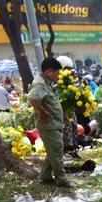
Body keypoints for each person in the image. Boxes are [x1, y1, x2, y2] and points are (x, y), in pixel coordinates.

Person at [28, 57, 70, 187]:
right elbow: (32, 98)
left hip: (53, 124)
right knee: (56, 151)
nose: (57, 76)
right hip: (48, 125)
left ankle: (45, 176)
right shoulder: (40, 84)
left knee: (53, 151)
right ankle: (61, 178)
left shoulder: (45, 83)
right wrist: (42, 111)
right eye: (56, 73)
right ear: (49, 71)